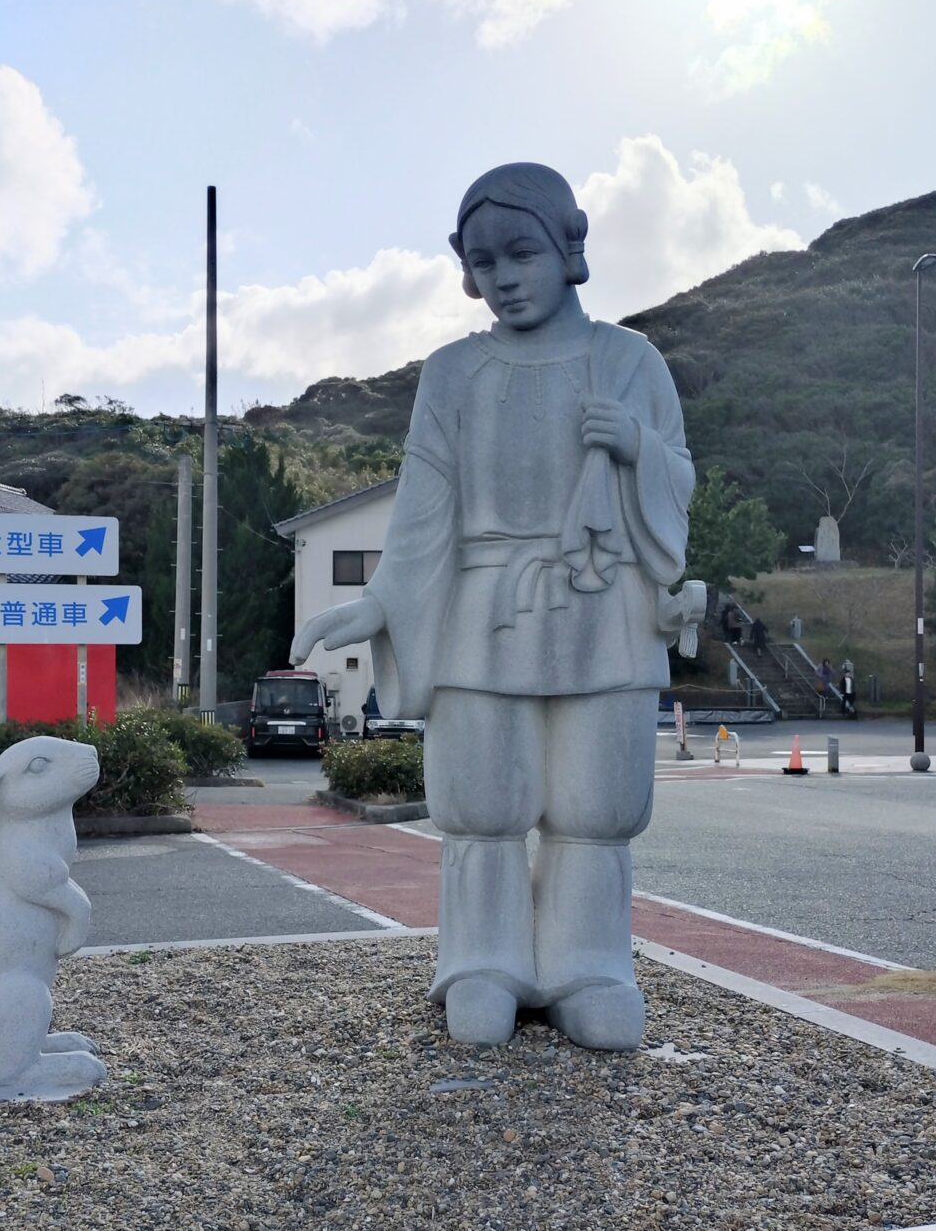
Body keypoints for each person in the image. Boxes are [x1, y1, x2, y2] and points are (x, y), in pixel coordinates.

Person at [289, 161, 694, 1052]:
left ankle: (590, 964)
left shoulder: (630, 361)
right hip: (482, 607)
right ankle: (482, 961)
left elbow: (679, 484)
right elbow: (425, 504)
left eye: (522, 252)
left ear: (567, 247)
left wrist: (635, 447)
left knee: (597, 804)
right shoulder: (454, 372)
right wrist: (384, 601)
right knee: (483, 799)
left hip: (602, 602)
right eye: (484, 260)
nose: (504, 276)